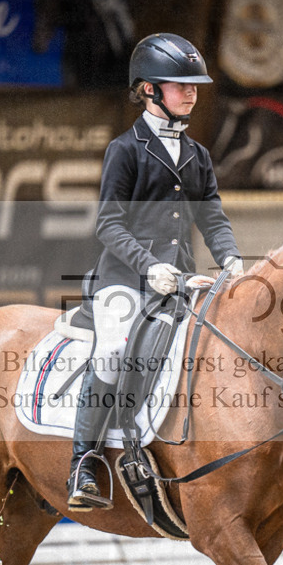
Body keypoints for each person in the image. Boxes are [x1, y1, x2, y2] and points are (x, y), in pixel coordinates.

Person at [67, 33, 244, 512]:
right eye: (179, 85)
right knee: (110, 352)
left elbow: (211, 216)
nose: (191, 93)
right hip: (124, 281)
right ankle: (84, 462)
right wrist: (151, 267)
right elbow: (108, 224)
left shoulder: (198, 155)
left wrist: (230, 257)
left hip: (182, 283)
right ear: (148, 90)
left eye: (194, 86)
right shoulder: (124, 150)